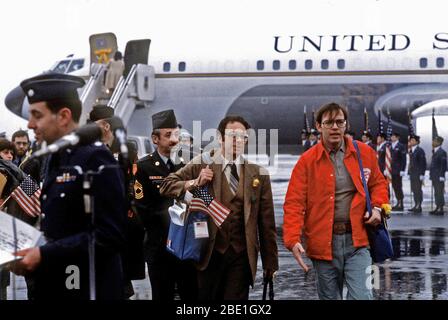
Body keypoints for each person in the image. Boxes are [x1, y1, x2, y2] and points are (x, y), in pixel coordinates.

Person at [10, 73, 127, 300]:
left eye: (37, 115)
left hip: (90, 289)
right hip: (61, 284)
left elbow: (110, 235)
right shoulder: (57, 156)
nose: (30, 124)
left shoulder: (95, 159)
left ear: (63, 116)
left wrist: (43, 254)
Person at [160, 115, 278, 300]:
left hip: (241, 255)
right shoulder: (202, 163)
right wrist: (194, 182)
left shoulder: (258, 175)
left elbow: (266, 223)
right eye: (233, 136)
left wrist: (270, 263)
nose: (238, 141)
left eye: (243, 137)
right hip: (208, 253)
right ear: (219, 137)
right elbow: (166, 185)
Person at [283, 102, 388, 300]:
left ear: (346, 125)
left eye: (339, 122)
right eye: (329, 122)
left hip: (359, 242)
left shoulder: (364, 153)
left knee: (363, 297)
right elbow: (294, 203)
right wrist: (292, 240)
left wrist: (377, 209)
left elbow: (379, 184)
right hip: (323, 246)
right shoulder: (306, 161)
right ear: (318, 125)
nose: (334, 127)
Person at [134, 109, 197, 300]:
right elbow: (141, 206)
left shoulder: (189, 164)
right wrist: (172, 214)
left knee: (192, 296)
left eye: (176, 134)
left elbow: (202, 196)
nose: (174, 140)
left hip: (187, 245)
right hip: (159, 245)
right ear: (155, 139)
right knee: (162, 295)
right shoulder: (145, 166)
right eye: (168, 135)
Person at [88, 105, 146, 298]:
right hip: (97, 216)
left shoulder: (126, 147)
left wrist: (132, 207)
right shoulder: (88, 148)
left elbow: (134, 179)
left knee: (121, 269)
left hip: (122, 216)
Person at [408, 135, 426, 213]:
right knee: (414, 190)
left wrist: (422, 174)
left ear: (417, 142)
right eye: (410, 140)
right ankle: (416, 204)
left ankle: (419, 205)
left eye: (412, 140)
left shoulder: (420, 150)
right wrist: (409, 173)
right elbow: (411, 163)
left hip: (418, 174)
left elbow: (423, 163)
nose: (411, 141)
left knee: (418, 190)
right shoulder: (412, 150)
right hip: (413, 174)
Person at [429, 136, 447, 215]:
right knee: (436, 192)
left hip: (439, 176)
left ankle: (441, 208)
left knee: (440, 192)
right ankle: (437, 206)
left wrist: (442, 176)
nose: (433, 142)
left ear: (439, 143)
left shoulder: (442, 152)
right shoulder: (435, 151)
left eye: (435, 141)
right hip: (434, 175)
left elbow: (443, 165)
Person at [390, 132, 407, 211]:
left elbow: (403, 159)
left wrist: (403, 169)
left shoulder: (401, 146)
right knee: (394, 186)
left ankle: (401, 203)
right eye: (391, 136)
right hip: (391, 170)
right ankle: (397, 202)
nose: (392, 138)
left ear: (397, 138)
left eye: (393, 136)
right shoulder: (390, 146)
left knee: (398, 186)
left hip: (398, 170)